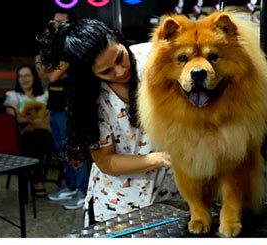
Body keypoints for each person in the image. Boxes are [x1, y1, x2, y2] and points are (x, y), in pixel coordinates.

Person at [38, 18, 178, 225]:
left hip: (170, 193)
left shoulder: (153, 57)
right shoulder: (90, 102)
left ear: (120, 40)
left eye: (120, 57)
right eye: (106, 71)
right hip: (119, 205)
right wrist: (162, 158)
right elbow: (106, 161)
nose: (120, 71)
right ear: (90, 74)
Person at [40, 10, 89, 210]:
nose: (55, 23)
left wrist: (53, 70)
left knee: (74, 150)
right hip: (55, 106)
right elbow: (43, 72)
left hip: (69, 108)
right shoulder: (57, 49)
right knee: (62, 152)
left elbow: (50, 76)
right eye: (54, 20)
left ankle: (83, 191)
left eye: (60, 21)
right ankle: (70, 186)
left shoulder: (72, 48)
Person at [3, 64, 52, 197]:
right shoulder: (13, 95)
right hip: (22, 133)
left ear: (34, 77)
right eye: (21, 76)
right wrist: (31, 121)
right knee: (33, 140)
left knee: (39, 138)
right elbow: (13, 116)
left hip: (45, 132)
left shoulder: (45, 95)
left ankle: (30, 177)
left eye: (27, 75)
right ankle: (38, 182)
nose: (24, 79)